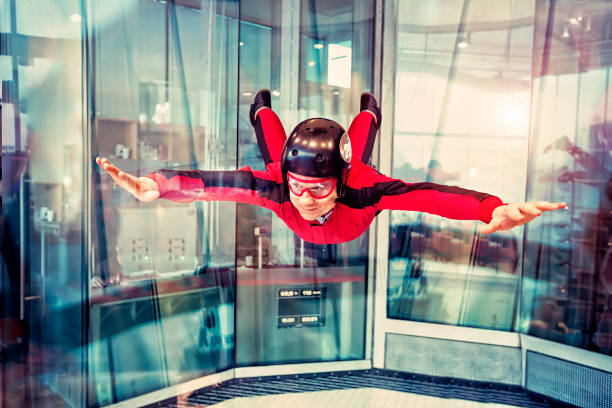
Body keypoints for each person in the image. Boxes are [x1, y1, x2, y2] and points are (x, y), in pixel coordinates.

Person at [96, 90, 566, 244]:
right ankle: (260, 109)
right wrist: (158, 185)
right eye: (299, 186)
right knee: (271, 156)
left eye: (318, 189)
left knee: (356, 149)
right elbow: (216, 184)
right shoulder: (281, 188)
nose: (304, 197)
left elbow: (428, 195)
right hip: (295, 190)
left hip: (351, 222)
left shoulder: (363, 187)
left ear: (340, 185)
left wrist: (490, 210)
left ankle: (370, 113)